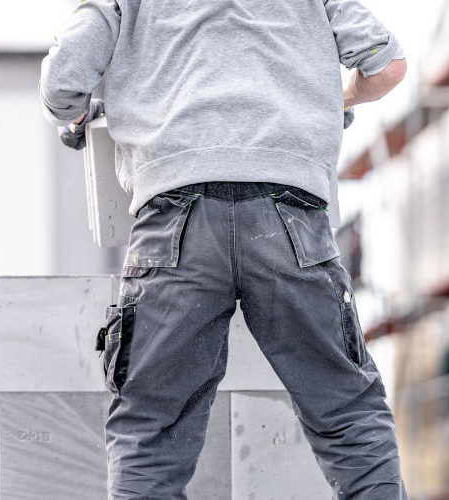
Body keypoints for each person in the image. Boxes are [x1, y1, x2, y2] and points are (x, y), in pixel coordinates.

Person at [38, 0, 408, 498]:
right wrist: (338, 97)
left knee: (149, 437)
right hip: (291, 219)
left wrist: (84, 114)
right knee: (350, 421)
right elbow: (387, 67)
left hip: (174, 223)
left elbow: (62, 84)